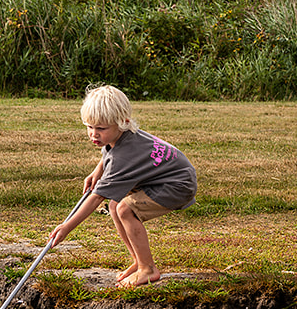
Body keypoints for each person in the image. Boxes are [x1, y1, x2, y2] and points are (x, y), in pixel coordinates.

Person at [48, 84, 197, 287]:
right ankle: (138, 260)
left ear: (123, 122)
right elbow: (109, 153)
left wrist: (67, 227)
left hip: (177, 185)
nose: (93, 134)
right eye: (89, 127)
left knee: (126, 209)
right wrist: (97, 171)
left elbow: (96, 198)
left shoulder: (123, 157)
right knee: (114, 205)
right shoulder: (120, 136)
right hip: (164, 177)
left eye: (101, 129)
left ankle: (148, 269)